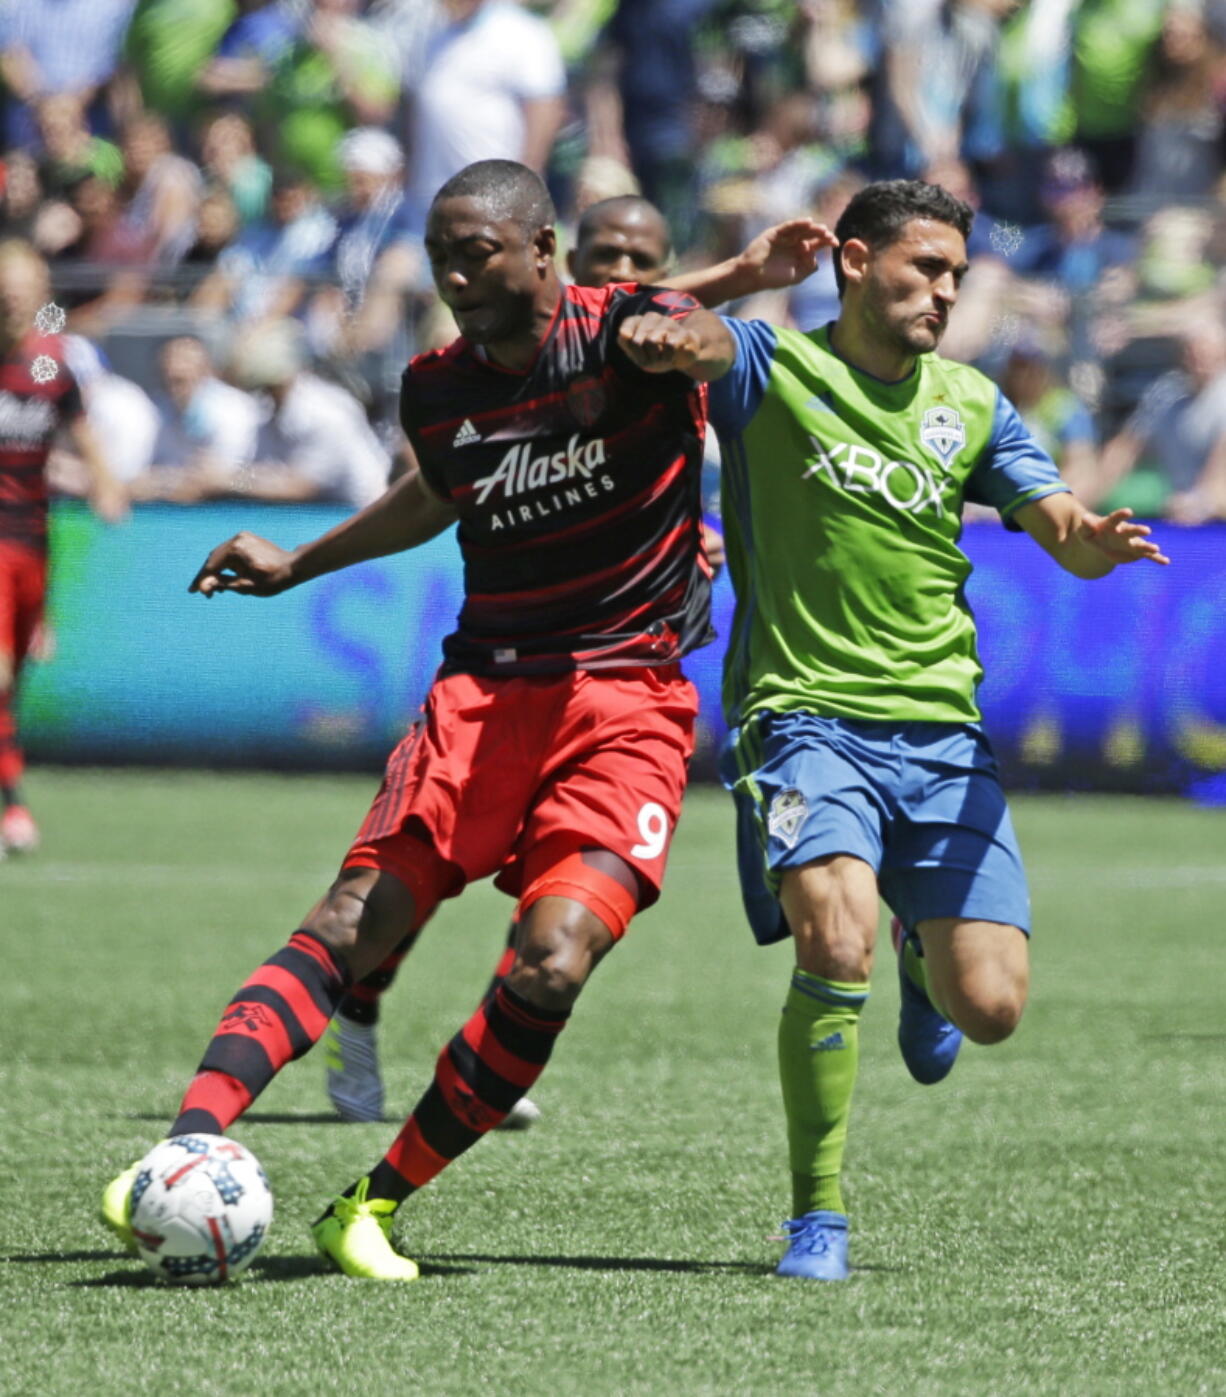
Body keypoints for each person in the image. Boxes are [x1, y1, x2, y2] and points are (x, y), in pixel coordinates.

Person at [100, 159, 737, 1282]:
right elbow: (436, 492)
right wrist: (298, 562)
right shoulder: (437, 386)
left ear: (542, 249)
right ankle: (190, 1141)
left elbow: (703, 343)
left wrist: (704, 328)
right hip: (485, 691)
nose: (452, 273)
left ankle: (373, 1199)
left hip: (628, 698)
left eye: (475, 250)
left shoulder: (629, 333)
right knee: (354, 919)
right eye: (441, 253)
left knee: (550, 960)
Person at [617, 178, 1169, 1280]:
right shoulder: (773, 366)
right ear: (854, 262)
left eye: (956, 275)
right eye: (924, 267)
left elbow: (1051, 517)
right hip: (799, 714)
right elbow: (642, 335)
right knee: (832, 937)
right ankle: (814, 1215)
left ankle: (928, 964)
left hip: (938, 730)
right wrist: (678, 312)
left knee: (993, 1005)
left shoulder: (968, 402)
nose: (943, 292)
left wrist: (1089, 540)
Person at [318, 193, 821, 1124]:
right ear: (564, 256)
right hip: (511, 663)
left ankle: (491, 1044)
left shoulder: (671, 352)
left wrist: (699, 537)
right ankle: (359, 1007)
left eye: (644, 257)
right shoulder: (507, 358)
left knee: (565, 882)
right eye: (608, 254)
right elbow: (436, 489)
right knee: (410, 879)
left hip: (624, 664)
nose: (624, 272)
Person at [0, 240, 125, 854]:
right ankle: (15, 808)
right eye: (5, 282)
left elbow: (75, 424)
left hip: (33, 541)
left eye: (23, 283)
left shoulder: (49, 366)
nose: (12, 293)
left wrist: (103, 482)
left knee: (14, 679)